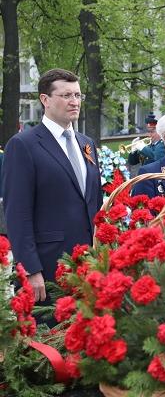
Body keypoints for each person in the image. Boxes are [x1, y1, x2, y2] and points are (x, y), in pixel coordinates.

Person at [2, 68, 102, 309]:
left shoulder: (86, 144)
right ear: (45, 100)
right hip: (48, 267)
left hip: (89, 262)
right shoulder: (23, 145)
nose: (74, 101)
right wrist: (30, 269)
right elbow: (17, 212)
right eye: (66, 95)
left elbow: (93, 202)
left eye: (78, 95)